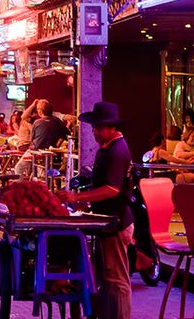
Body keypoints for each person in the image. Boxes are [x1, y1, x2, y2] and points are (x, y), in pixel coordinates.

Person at [58, 102, 133, 319]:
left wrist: (77, 197)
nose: (95, 131)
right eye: (94, 127)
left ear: (111, 128)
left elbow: (111, 189)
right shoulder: (108, 148)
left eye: (98, 127)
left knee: (117, 280)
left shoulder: (117, 151)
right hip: (106, 220)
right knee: (108, 277)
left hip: (116, 221)